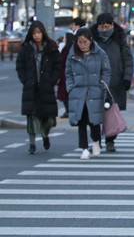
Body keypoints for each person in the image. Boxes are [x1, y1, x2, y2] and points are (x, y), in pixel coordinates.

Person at [16, 21, 62, 154]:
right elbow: (20, 66)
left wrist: (52, 80)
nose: (36, 36)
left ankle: (45, 134)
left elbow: (58, 65)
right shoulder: (26, 48)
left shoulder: (51, 48)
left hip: (46, 87)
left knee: (48, 119)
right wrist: (25, 80)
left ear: (43, 33)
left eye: (39, 33)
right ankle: (32, 144)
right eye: (34, 33)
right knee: (32, 118)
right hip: (31, 87)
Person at [90, 13, 134, 152]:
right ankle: (96, 140)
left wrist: (127, 78)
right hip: (95, 81)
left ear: (112, 25)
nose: (104, 29)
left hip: (114, 81)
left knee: (111, 112)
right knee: (95, 112)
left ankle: (110, 140)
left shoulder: (120, 39)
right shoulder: (91, 39)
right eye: (101, 26)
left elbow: (128, 60)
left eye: (107, 26)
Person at [66, 28, 111, 160]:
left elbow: (106, 71)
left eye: (85, 42)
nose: (82, 45)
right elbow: (68, 73)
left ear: (91, 40)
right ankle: (84, 148)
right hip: (78, 92)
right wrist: (70, 87)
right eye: (79, 42)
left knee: (95, 120)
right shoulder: (72, 54)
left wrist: (102, 86)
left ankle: (96, 142)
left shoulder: (99, 53)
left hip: (95, 91)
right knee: (81, 120)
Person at [57, 32, 75, 118]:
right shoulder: (73, 48)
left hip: (65, 75)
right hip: (69, 74)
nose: (63, 39)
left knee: (64, 95)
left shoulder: (66, 49)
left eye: (64, 37)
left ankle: (68, 111)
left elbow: (62, 61)